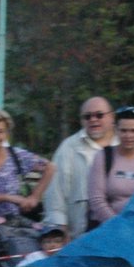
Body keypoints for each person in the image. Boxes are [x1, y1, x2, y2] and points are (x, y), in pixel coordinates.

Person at [0, 106, 54, 256]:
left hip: (15, 227)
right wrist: (7, 197)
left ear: (7, 134)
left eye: (0, 131)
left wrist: (34, 197)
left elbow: (50, 167)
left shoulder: (16, 155)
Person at [45, 96, 114, 238]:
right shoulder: (68, 148)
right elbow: (55, 196)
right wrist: (60, 234)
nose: (93, 120)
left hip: (118, 233)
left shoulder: (127, 146)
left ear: (112, 117)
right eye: (87, 116)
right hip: (80, 236)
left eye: (99, 115)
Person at [87, 105, 134, 226]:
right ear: (116, 130)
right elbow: (96, 199)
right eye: (124, 130)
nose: (128, 136)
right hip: (108, 227)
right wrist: (117, 225)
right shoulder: (104, 156)